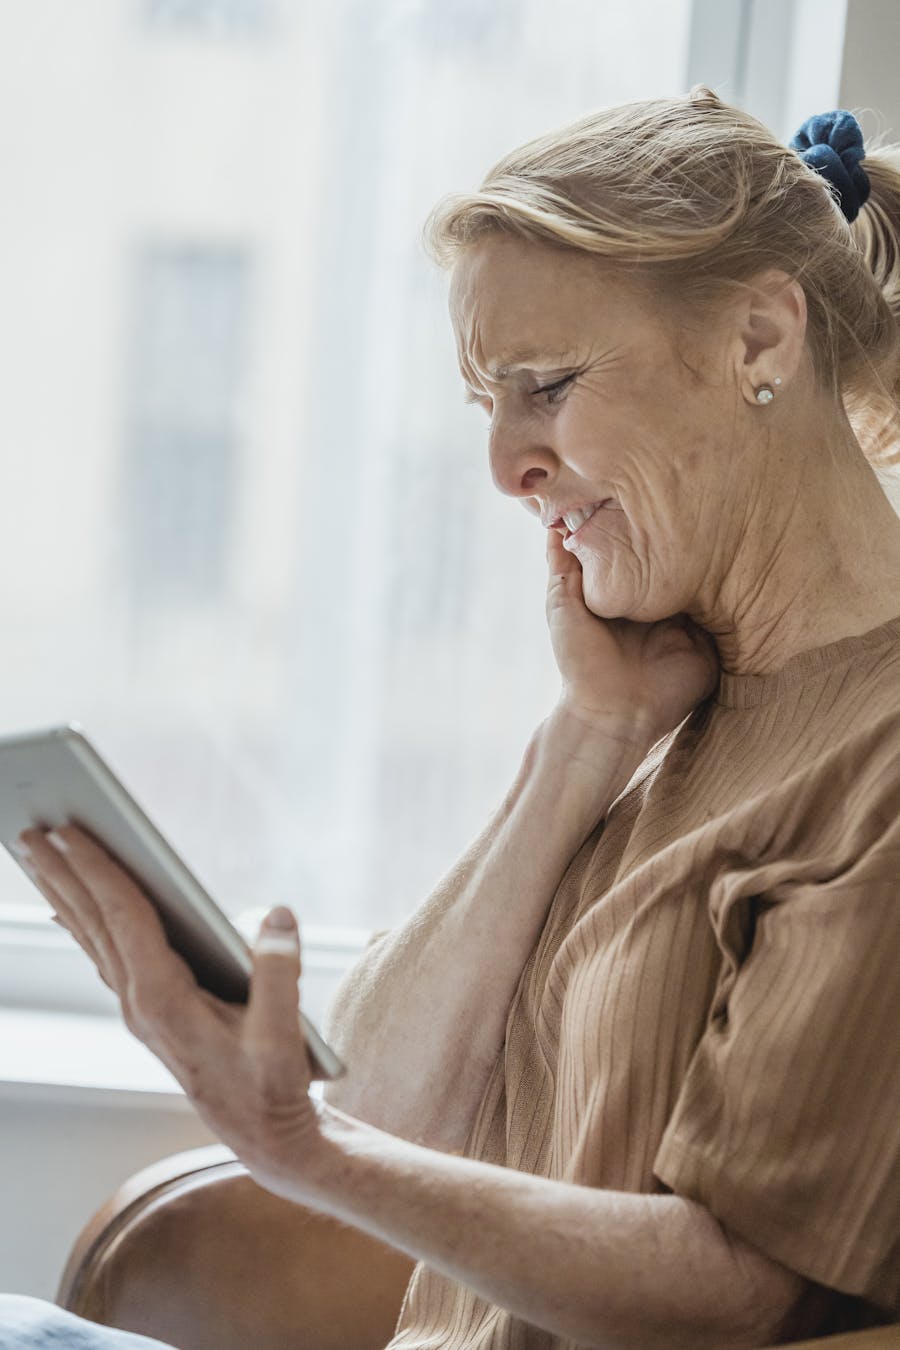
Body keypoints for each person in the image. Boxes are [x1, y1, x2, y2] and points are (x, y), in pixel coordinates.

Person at [2, 86, 899, 1348]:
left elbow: (733, 1290)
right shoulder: (671, 695)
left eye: (544, 385)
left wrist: (301, 1146)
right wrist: (584, 742)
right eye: (490, 406)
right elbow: (384, 1103)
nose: (505, 468)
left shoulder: (882, 764)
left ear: (759, 336)